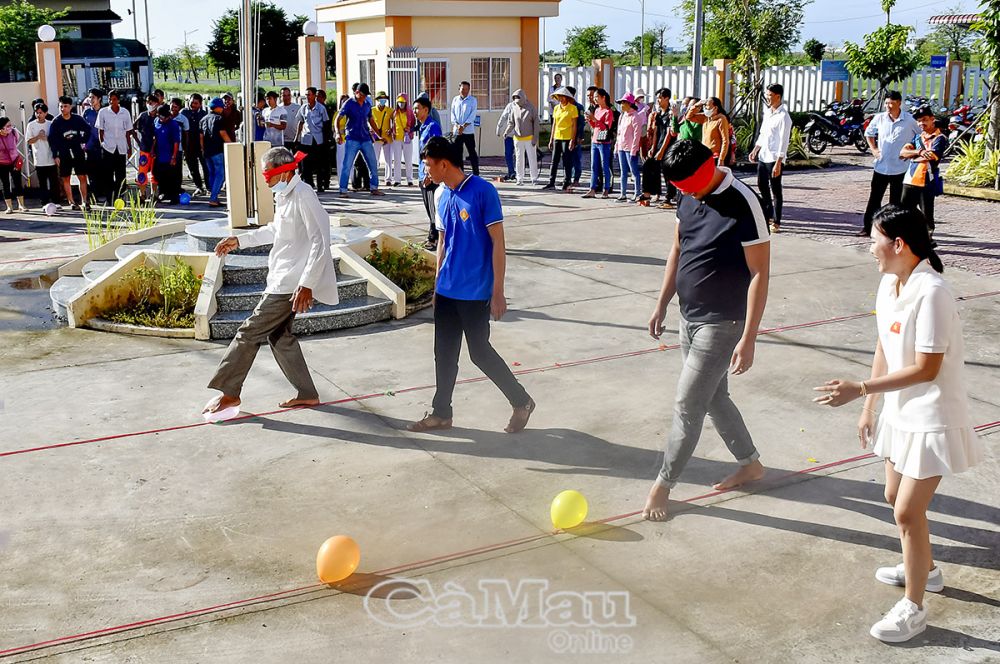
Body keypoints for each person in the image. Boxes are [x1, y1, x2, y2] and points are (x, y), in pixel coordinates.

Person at [812, 205, 982, 643]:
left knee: (908, 510)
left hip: (932, 415)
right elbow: (884, 344)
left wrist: (861, 389)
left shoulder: (933, 293)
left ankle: (914, 606)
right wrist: (869, 409)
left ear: (899, 244)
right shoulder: (890, 283)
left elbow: (927, 369)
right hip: (900, 411)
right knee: (892, 495)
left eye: (874, 239)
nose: (870, 248)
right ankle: (926, 568)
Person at [643, 138, 770, 521]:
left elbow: (760, 272)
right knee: (714, 398)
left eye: (687, 186)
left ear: (708, 166)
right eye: (679, 189)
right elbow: (678, 250)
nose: (685, 194)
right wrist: (662, 302)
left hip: (723, 322)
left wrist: (749, 337)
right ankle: (750, 464)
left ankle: (662, 485)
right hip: (689, 317)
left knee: (688, 405)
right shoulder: (686, 195)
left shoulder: (744, 202)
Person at [407, 135, 535, 434]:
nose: (426, 172)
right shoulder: (443, 195)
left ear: (444, 163)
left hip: (475, 290)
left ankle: (522, 401)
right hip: (448, 290)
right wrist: (437, 286)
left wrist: (498, 290)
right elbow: (442, 243)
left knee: (479, 352)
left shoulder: (483, 191)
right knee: (444, 352)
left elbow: (498, 242)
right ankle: (441, 413)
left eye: (427, 166)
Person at [204, 147, 340, 418]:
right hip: (283, 277)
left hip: (290, 283)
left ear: (285, 171)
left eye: (267, 174)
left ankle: (229, 393)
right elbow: (276, 230)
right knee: (280, 336)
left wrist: (308, 283)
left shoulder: (304, 195)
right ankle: (307, 394)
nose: (264, 180)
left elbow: (320, 239)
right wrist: (239, 240)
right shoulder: (285, 196)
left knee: (248, 333)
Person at [859, 90, 920, 237]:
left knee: (896, 201)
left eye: (891, 103)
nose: (888, 106)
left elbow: (920, 136)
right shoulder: (879, 118)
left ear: (899, 103)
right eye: (886, 103)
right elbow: (869, 133)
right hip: (881, 165)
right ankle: (868, 228)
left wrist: (911, 152)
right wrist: (874, 149)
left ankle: (893, 230)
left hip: (900, 167)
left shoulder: (909, 120)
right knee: (874, 198)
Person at [749, 83, 793, 234]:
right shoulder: (767, 112)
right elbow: (763, 134)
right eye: (767, 94)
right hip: (763, 156)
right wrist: (756, 149)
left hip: (775, 158)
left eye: (769, 95)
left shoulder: (784, 117)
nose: (767, 97)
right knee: (762, 185)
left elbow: (783, 140)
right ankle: (767, 215)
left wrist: (779, 162)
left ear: (778, 96)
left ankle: (777, 221)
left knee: (776, 190)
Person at [900, 106, 947, 235]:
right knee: (905, 211)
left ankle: (927, 238)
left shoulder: (939, 138)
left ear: (932, 119)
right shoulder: (917, 138)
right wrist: (919, 152)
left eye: (924, 120)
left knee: (927, 213)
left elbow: (932, 156)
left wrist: (913, 156)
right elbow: (903, 152)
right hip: (910, 180)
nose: (921, 123)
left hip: (927, 181)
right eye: (919, 121)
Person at [334, 82, 383, 197]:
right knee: (347, 164)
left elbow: (370, 119)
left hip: (366, 138)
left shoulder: (366, 104)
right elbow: (338, 118)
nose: (364, 97)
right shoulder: (349, 103)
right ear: (357, 93)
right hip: (352, 138)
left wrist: (378, 135)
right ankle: (343, 190)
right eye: (363, 95)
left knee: (373, 163)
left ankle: (374, 188)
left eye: (366, 95)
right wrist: (337, 133)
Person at [49, 96, 92, 211]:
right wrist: (55, 155)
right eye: (61, 106)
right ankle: (71, 201)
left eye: (65, 106)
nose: (63, 109)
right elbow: (52, 139)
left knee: (82, 176)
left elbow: (88, 130)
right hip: (64, 153)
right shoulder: (56, 122)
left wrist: (83, 142)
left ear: (70, 107)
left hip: (77, 151)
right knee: (66, 178)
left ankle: (84, 201)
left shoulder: (77, 119)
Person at [414, 97, 442, 250]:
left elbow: (434, 152)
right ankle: (434, 235)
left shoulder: (433, 126)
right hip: (421, 173)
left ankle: (434, 238)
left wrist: (428, 175)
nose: (415, 111)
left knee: (433, 209)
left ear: (426, 109)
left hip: (429, 176)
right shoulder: (422, 126)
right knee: (429, 208)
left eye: (418, 108)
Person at [95, 90, 132, 202]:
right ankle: (110, 197)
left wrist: (129, 147)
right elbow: (100, 130)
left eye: (114, 99)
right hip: (108, 147)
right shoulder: (103, 112)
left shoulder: (125, 112)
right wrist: (102, 143)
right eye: (110, 99)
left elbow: (128, 131)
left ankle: (120, 196)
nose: (112, 101)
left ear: (118, 100)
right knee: (108, 174)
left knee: (121, 174)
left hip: (121, 147)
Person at [642, 88, 675, 207]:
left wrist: (662, 151)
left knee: (667, 172)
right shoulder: (658, 114)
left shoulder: (671, 113)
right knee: (648, 165)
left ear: (667, 98)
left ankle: (669, 198)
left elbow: (669, 133)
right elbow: (656, 132)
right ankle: (647, 194)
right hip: (658, 145)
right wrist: (653, 148)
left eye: (660, 98)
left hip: (669, 146)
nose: (658, 100)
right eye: (657, 98)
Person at [295, 87, 330, 191]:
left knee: (319, 163)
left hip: (318, 139)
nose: (307, 97)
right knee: (306, 164)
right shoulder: (303, 108)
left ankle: (320, 185)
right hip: (306, 138)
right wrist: (296, 137)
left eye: (309, 95)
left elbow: (325, 123)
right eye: (306, 95)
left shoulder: (321, 108)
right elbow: (300, 122)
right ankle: (309, 184)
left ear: (314, 95)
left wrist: (326, 139)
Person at [543, 87, 578, 192]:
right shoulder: (556, 108)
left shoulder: (573, 108)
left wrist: (573, 139)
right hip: (557, 137)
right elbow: (554, 124)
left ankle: (567, 182)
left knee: (567, 161)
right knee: (554, 161)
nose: (561, 99)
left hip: (567, 137)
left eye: (563, 97)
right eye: (559, 97)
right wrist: (551, 139)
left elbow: (574, 126)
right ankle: (551, 182)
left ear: (567, 97)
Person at [582, 87, 614, 199]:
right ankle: (592, 189)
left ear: (603, 97)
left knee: (605, 166)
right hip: (595, 140)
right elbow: (595, 126)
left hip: (604, 142)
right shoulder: (596, 110)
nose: (595, 99)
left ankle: (606, 189)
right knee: (594, 166)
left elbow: (607, 127)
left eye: (596, 97)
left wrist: (594, 119)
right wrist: (590, 120)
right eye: (594, 97)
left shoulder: (608, 111)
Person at [26, 104, 60, 208]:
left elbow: (56, 140)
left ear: (45, 113)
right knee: (42, 183)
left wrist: (47, 138)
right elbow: (29, 141)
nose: (38, 115)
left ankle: (56, 201)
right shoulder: (31, 125)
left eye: (41, 113)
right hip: (39, 158)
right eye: (37, 112)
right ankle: (44, 202)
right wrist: (38, 137)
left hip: (50, 157)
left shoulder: (51, 124)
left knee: (54, 181)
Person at [201, 98, 232, 207]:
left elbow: (200, 137)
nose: (223, 108)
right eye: (222, 106)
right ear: (218, 107)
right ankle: (213, 198)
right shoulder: (219, 119)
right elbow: (223, 133)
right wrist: (232, 145)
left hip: (207, 151)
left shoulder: (203, 119)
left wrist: (203, 149)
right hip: (217, 151)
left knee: (212, 174)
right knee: (221, 174)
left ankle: (214, 196)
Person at [504, 88, 539, 187]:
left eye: (518, 98)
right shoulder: (514, 108)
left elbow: (536, 124)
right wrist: (506, 132)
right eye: (515, 98)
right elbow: (511, 122)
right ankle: (519, 179)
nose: (517, 101)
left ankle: (534, 178)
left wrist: (535, 138)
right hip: (517, 138)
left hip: (529, 138)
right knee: (519, 159)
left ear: (523, 98)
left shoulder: (531, 107)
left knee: (532, 158)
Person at [614, 92, 645, 202]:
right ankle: (623, 193)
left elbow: (637, 134)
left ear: (629, 103)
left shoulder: (635, 116)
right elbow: (619, 133)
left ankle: (637, 193)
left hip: (630, 148)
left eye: (623, 103)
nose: (621, 105)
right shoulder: (622, 116)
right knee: (623, 171)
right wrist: (616, 147)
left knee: (634, 171)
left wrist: (634, 150)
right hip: (622, 147)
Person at [686, 97, 731, 165]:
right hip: (705, 155)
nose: (705, 108)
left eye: (707, 105)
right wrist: (696, 105)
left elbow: (725, 140)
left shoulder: (721, 119)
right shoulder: (705, 118)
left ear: (715, 108)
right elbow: (689, 117)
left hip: (715, 156)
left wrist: (721, 159)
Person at [151, 105, 182, 205]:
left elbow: (176, 142)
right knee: (159, 175)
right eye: (163, 117)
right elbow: (155, 137)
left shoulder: (173, 124)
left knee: (172, 177)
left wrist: (174, 157)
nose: (165, 119)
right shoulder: (156, 121)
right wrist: (152, 149)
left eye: (167, 117)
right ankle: (164, 193)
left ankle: (174, 197)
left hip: (170, 155)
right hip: (159, 154)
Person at [133, 93, 160, 200]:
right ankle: (142, 194)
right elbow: (133, 128)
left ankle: (154, 194)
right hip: (144, 148)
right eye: (147, 102)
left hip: (157, 149)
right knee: (142, 172)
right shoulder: (143, 115)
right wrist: (138, 142)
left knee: (155, 172)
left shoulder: (159, 117)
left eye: (151, 102)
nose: (149, 104)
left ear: (156, 104)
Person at [180, 94, 208, 196]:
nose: (193, 105)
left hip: (201, 145)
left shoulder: (204, 114)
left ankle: (208, 187)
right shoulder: (183, 113)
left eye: (196, 103)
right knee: (193, 168)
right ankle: (199, 187)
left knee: (206, 166)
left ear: (200, 104)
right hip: (188, 145)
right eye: (192, 102)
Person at [450, 81, 480, 175]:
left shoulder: (473, 100)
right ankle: (460, 173)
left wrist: (464, 126)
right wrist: (457, 125)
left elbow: (472, 115)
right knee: (458, 153)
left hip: (468, 131)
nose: (465, 91)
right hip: (457, 131)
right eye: (463, 89)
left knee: (472, 152)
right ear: (459, 89)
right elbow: (452, 114)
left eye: (467, 89)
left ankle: (476, 173)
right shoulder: (455, 100)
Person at [82, 89, 105, 204]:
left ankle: (104, 193)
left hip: (104, 146)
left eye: (93, 98)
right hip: (90, 146)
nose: (91, 100)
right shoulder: (87, 113)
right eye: (90, 97)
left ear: (99, 99)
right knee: (92, 172)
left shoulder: (105, 111)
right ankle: (94, 195)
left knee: (104, 171)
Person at [0, 117, 26, 214]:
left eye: (10, 125)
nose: (10, 128)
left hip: (14, 160)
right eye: (7, 126)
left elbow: (15, 143)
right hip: (2, 163)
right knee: (5, 184)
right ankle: (9, 207)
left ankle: (21, 205)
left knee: (18, 182)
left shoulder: (14, 133)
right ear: (1, 128)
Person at [391, 93, 416, 186]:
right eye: (399, 102)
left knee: (408, 160)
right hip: (397, 139)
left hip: (407, 139)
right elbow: (393, 124)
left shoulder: (410, 113)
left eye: (403, 102)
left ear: (406, 102)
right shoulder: (394, 113)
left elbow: (414, 124)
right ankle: (397, 180)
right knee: (397, 160)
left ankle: (409, 179)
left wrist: (410, 130)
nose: (401, 104)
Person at [371, 91, 394, 185]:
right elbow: (369, 123)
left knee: (388, 159)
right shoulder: (372, 110)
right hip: (376, 138)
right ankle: (374, 178)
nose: (383, 100)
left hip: (387, 137)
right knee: (375, 159)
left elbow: (395, 121)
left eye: (384, 99)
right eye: (381, 99)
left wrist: (391, 130)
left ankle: (388, 179)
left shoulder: (390, 110)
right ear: (377, 100)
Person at [169, 98, 190, 197]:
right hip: (166, 149)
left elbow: (186, 135)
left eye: (176, 107)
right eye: (172, 106)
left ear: (179, 108)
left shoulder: (183, 119)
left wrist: (186, 149)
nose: (173, 108)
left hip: (178, 148)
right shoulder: (166, 117)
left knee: (177, 171)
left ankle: (177, 189)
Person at [565, 86, 586, 186]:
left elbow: (581, 123)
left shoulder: (579, 107)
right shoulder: (564, 106)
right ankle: (567, 178)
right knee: (567, 159)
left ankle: (576, 179)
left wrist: (579, 136)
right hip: (565, 137)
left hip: (576, 136)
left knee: (576, 158)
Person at [496, 94, 517, 182]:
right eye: (516, 98)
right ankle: (511, 172)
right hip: (509, 134)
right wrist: (499, 128)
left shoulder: (525, 106)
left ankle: (517, 172)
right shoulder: (510, 106)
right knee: (508, 154)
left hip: (520, 135)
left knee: (518, 155)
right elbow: (503, 117)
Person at [279, 87, 301, 153]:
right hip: (283, 140)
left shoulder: (298, 107)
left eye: (288, 95)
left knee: (297, 160)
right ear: (281, 96)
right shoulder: (278, 108)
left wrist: (297, 137)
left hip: (296, 140)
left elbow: (301, 123)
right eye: (284, 95)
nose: (287, 97)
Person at [334, 93, 349, 182]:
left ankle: (351, 180)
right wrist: (339, 133)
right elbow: (334, 127)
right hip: (341, 140)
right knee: (340, 160)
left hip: (350, 140)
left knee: (350, 161)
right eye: (343, 101)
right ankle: (341, 180)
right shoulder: (337, 114)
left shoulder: (352, 113)